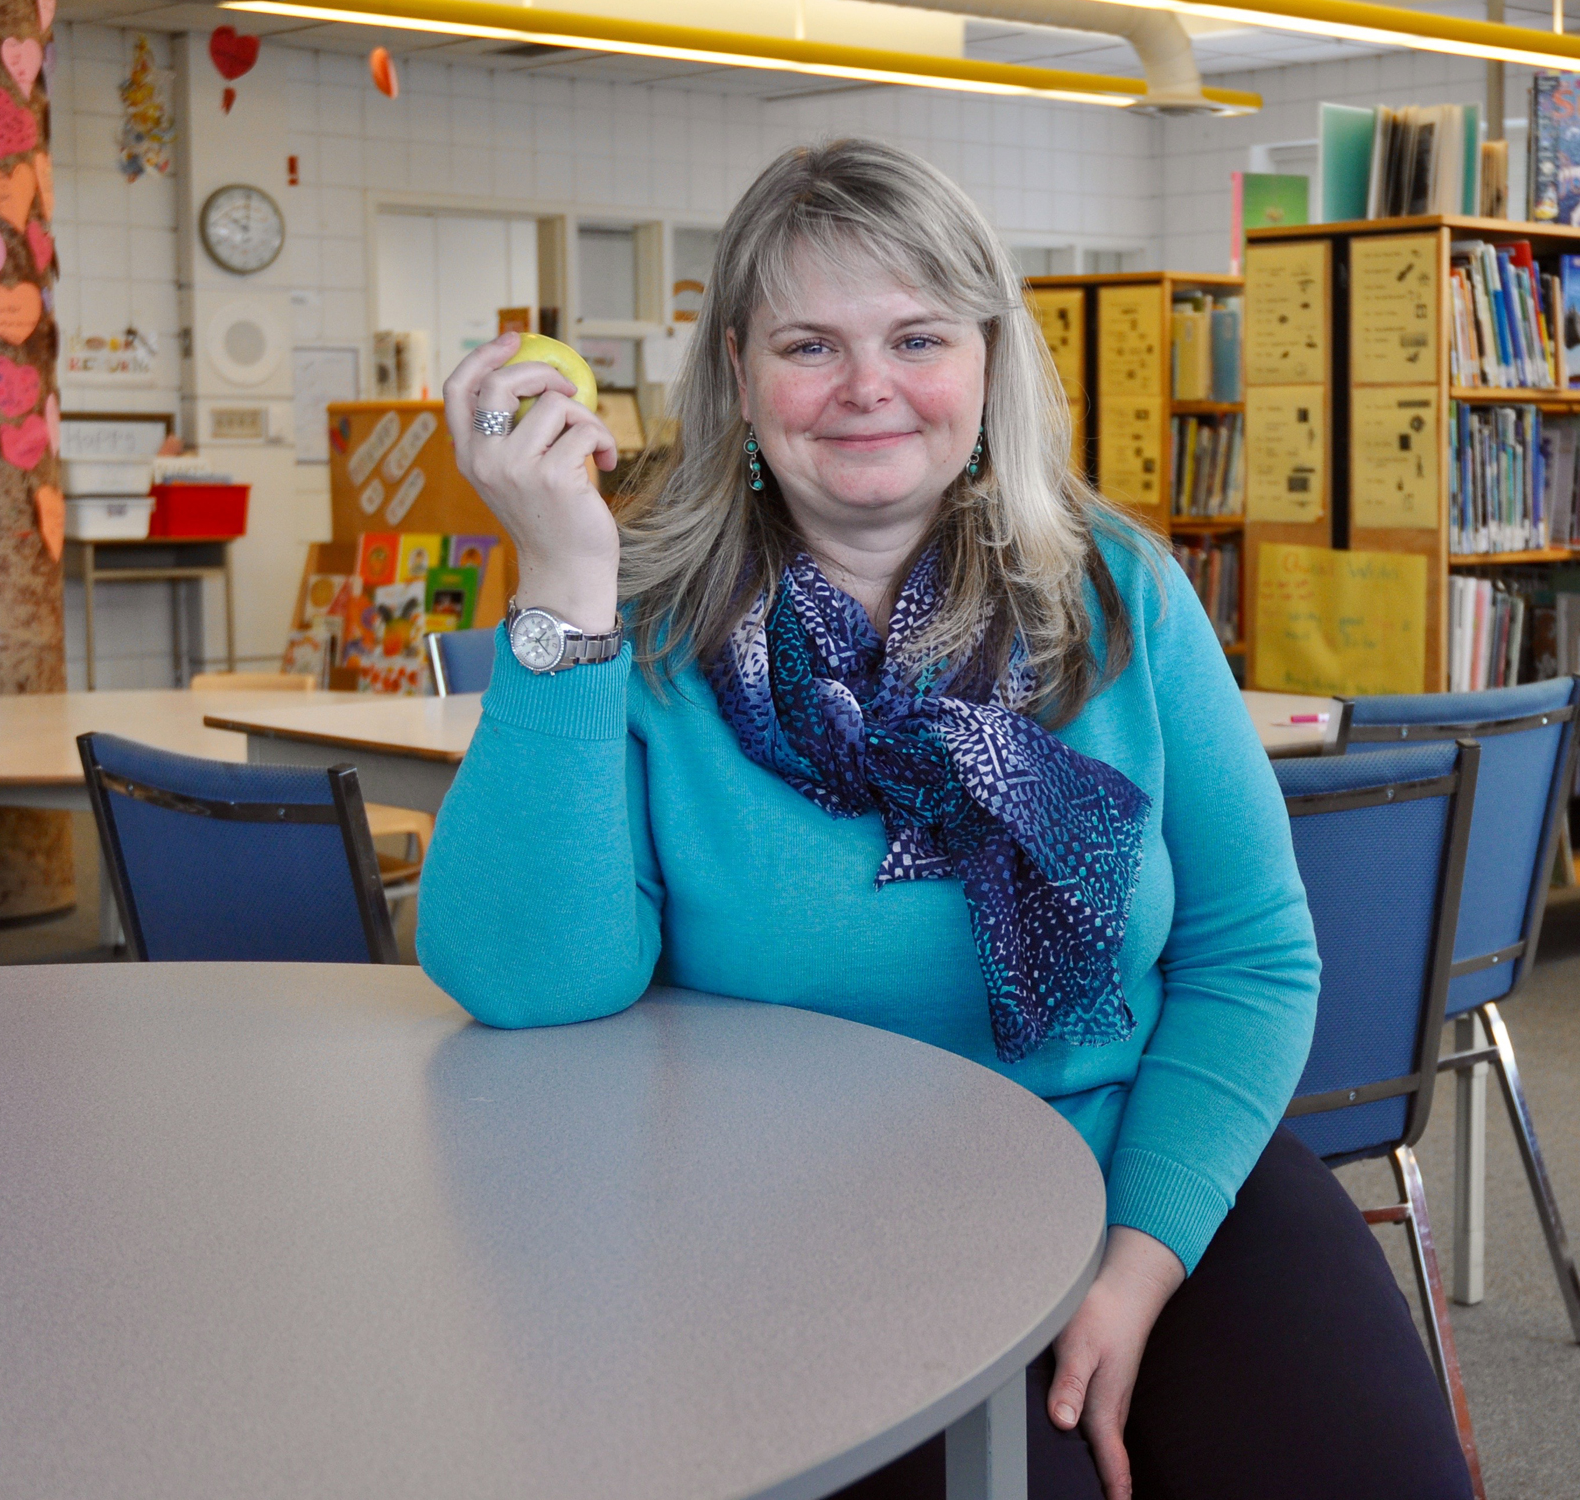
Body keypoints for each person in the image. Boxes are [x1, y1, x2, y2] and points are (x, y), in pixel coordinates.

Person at [418, 139, 1472, 1500]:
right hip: (796, 1229)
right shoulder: (641, 627)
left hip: (1138, 1164)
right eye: (810, 343)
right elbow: (529, 983)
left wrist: (1135, 1268)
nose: (868, 389)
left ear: (988, 362)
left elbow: (1251, 954)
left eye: (918, 336)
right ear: (737, 371)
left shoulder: (1119, 592)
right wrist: (563, 575)